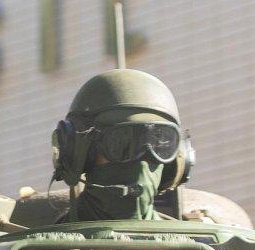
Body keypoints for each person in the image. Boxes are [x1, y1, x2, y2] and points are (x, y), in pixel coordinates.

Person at [51, 69, 193, 222]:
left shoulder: (190, 237)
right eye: (122, 144)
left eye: (158, 146)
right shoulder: (47, 238)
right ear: (79, 154)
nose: (142, 164)